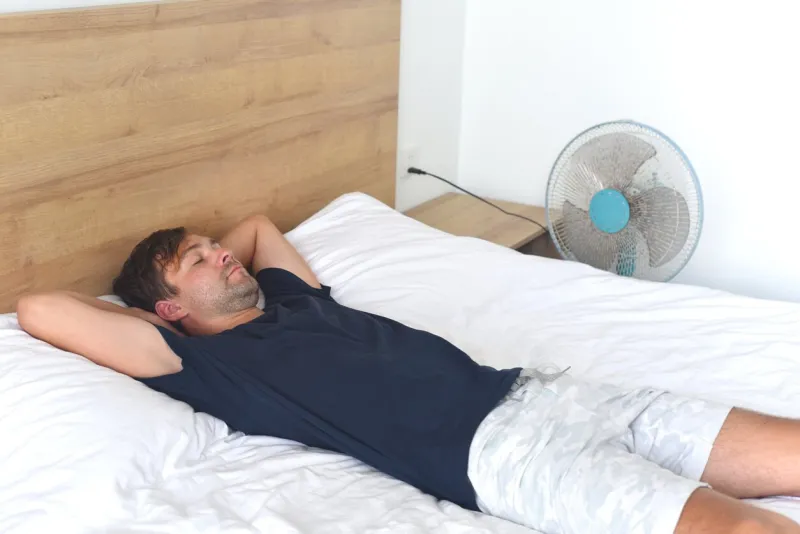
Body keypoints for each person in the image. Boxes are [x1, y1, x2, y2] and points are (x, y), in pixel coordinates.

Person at [16, 214, 800, 534]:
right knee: (737, 524)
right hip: (504, 456)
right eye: (198, 260)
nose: (224, 251)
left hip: (551, 390)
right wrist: (146, 317)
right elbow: (41, 308)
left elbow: (258, 224)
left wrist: (210, 257)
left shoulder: (291, 299)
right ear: (169, 311)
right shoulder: (207, 364)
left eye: (209, 245)